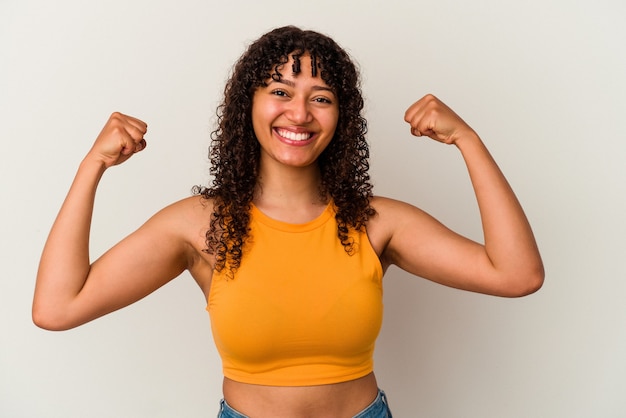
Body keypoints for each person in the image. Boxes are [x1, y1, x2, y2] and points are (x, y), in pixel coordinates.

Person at [33, 26, 544, 418]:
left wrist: (468, 141)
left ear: (340, 116)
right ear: (247, 105)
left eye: (321, 97)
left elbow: (517, 274)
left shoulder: (375, 222)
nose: (299, 113)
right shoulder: (200, 226)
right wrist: (91, 166)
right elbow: (57, 307)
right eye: (280, 91)